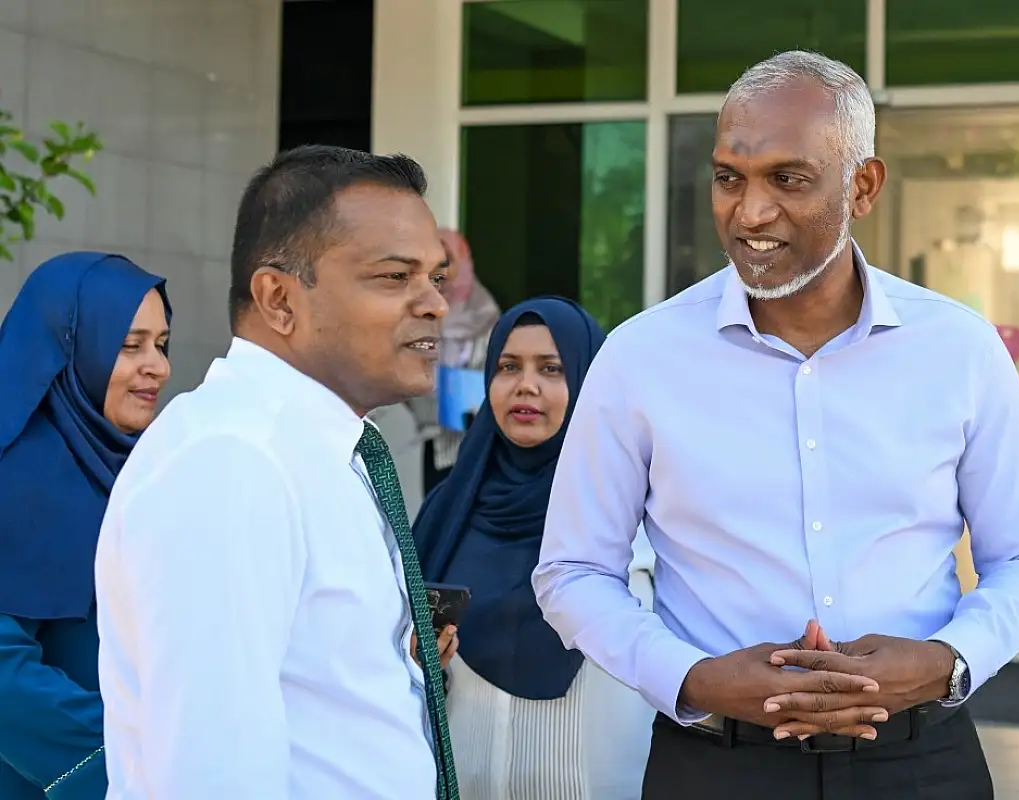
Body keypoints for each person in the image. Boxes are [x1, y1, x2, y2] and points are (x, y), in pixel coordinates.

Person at [534, 50, 1019, 800]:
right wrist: (691, 677)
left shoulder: (959, 349)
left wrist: (946, 660)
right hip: (715, 769)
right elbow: (572, 571)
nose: (750, 212)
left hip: (920, 764)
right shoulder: (639, 356)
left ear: (863, 186)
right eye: (729, 178)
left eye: (787, 179)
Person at [94, 146, 460, 800]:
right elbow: (212, 777)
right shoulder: (229, 462)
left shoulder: (324, 446)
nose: (434, 303)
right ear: (279, 299)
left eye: (436, 276)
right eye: (394, 276)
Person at [412, 297, 655, 800]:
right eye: (508, 367)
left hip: (595, 783)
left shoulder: (632, 513)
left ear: (589, 382)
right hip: (459, 780)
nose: (526, 385)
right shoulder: (445, 510)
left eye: (551, 369)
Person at [0, 252, 171, 800]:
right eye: (130, 345)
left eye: (161, 344)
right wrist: (126, 757)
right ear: (69, 346)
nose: (158, 367)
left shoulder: (134, 469)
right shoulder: (18, 476)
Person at [413, 229, 501, 495]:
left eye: (447, 259)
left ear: (464, 258)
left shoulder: (487, 315)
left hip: (481, 442)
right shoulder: (419, 310)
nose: (440, 270)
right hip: (431, 441)